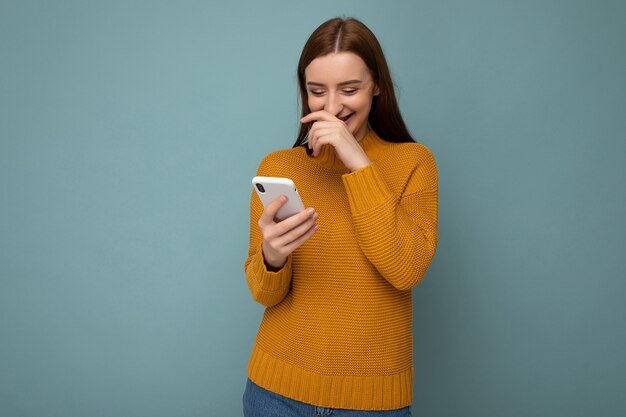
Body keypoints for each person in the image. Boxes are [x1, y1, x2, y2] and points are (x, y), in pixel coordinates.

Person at [242, 16, 438, 417]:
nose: (331, 106)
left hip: (371, 404)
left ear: (377, 85)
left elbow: (406, 269)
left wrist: (358, 164)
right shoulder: (280, 168)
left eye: (349, 89)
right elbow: (264, 294)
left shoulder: (414, 163)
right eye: (317, 92)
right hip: (274, 393)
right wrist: (272, 258)